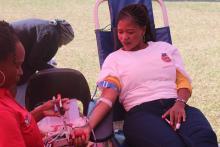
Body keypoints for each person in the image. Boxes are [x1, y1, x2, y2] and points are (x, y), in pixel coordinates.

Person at [72, 4, 218, 147]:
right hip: (141, 114)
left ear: (143, 30)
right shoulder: (114, 59)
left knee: (206, 140)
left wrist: (180, 104)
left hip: (176, 105)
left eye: (130, 32)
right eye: (120, 32)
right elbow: (107, 99)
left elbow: (183, 82)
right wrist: (88, 126)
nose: (124, 37)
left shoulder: (165, 49)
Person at [0, 20, 69, 147]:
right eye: (17, 65)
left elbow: (19, 123)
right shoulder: (3, 115)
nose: (21, 72)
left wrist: (41, 111)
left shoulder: (4, 95)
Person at [10, 18, 74, 106]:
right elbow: (33, 61)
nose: (61, 45)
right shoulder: (51, 34)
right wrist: (53, 71)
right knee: (21, 79)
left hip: (10, 41)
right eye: (63, 43)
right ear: (63, 37)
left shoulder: (50, 27)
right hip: (7, 47)